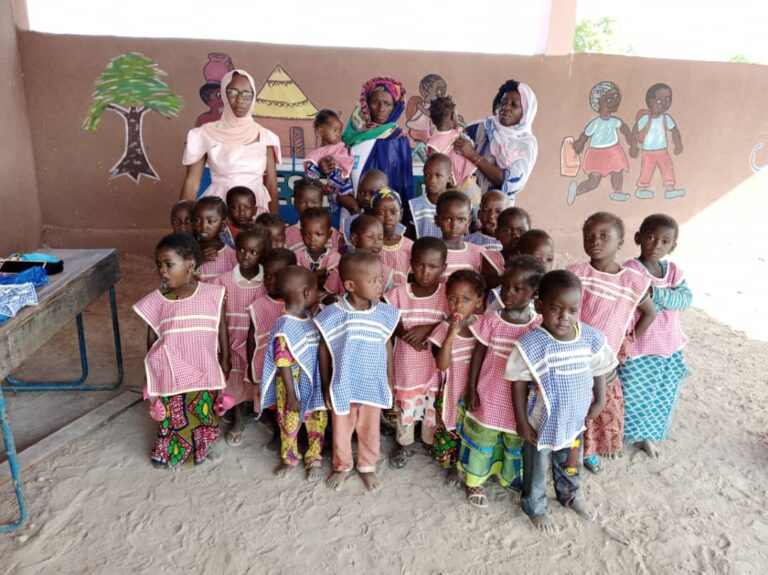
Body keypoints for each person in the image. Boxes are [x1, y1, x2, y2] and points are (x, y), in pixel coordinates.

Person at [506, 270, 617, 532]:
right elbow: (518, 382)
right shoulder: (532, 344)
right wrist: (522, 422)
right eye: (556, 309)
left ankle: (570, 495)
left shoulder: (589, 337)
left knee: (570, 463)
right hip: (540, 423)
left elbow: (599, 368)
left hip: (575, 420)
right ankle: (535, 506)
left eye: (572, 310)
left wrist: (600, 399)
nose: (564, 318)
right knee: (537, 467)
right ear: (539, 305)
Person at [566, 212, 656, 474]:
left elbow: (649, 313)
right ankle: (568, 449)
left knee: (598, 405)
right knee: (574, 403)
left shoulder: (631, 282)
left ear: (620, 242)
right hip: (574, 353)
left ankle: (590, 451)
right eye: (589, 236)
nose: (595, 241)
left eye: (604, 236)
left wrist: (628, 341)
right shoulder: (576, 274)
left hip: (605, 358)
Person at [133, 233, 230, 468]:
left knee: (203, 412)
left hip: (202, 367)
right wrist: (151, 372)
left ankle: (202, 448)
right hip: (171, 370)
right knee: (172, 416)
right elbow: (152, 335)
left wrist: (225, 359)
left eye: (168, 264)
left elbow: (221, 328)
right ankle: (168, 452)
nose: (162, 271)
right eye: (159, 265)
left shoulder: (212, 295)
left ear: (190, 265)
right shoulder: (158, 299)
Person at [460, 256, 545, 508]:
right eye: (506, 286)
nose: (509, 293)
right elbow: (478, 353)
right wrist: (471, 387)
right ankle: (475, 479)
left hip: (520, 400)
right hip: (490, 391)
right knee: (483, 436)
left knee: (513, 438)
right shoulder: (492, 319)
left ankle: (507, 476)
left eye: (518, 289)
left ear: (534, 293)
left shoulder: (538, 325)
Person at [316, 250, 401, 492]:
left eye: (379, 278)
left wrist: (390, 380)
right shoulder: (334, 313)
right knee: (342, 429)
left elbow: (388, 344)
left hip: (372, 382)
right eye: (373, 280)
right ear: (351, 285)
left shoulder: (383, 313)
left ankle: (367, 466)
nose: (379, 284)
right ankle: (342, 466)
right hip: (343, 383)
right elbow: (324, 348)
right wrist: (325, 385)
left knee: (369, 429)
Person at [619, 214, 691, 458]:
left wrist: (657, 296)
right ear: (638, 238)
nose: (657, 245)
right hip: (639, 348)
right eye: (650, 237)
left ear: (673, 246)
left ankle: (645, 437)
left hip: (669, 347)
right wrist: (666, 297)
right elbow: (635, 302)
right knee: (630, 394)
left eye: (664, 241)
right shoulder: (631, 269)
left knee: (658, 395)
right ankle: (621, 435)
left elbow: (685, 299)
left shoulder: (673, 271)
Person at [384, 237, 450, 469]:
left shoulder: (446, 295)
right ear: (411, 263)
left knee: (432, 405)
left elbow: (453, 321)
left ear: (443, 267)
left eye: (432, 266)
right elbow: (388, 321)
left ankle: (429, 440)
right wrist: (403, 332)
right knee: (407, 406)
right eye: (420, 264)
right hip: (406, 363)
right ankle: (405, 443)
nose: (425, 271)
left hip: (433, 366)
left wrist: (428, 328)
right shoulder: (399, 294)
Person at [180, 69, 281, 215]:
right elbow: (192, 183)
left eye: (247, 94)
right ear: (223, 94)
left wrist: (273, 223)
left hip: (256, 214)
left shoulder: (266, 137)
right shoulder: (205, 134)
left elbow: (271, 184)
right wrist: (183, 224)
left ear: (253, 97)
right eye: (232, 93)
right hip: (219, 214)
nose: (240, 100)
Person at [260, 266, 328, 480]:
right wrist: (290, 395)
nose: (318, 295)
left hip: (313, 384)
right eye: (317, 291)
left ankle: (313, 459)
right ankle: (289, 459)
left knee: (317, 422)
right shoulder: (284, 326)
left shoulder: (309, 318)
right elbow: (282, 363)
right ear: (307, 293)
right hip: (292, 389)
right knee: (289, 426)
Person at [212, 224, 269, 446]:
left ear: (262, 253)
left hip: (257, 343)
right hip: (232, 341)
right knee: (234, 381)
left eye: (253, 252)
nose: (246, 256)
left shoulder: (268, 282)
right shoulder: (223, 281)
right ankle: (238, 419)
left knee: (257, 380)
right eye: (242, 250)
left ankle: (261, 413)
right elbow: (217, 317)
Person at [428, 269, 486, 484]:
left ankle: (467, 464)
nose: (458, 305)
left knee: (473, 427)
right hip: (451, 389)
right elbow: (441, 365)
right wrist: (450, 336)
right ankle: (453, 465)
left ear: (478, 301)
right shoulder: (444, 328)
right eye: (452, 298)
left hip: (476, 389)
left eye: (466, 299)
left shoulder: (483, 325)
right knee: (450, 426)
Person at [343, 76, 415, 224]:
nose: (381, 109)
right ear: (367, 104)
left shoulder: (399, 139)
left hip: (388, 218)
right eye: (375, 102)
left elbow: (405, 183)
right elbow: (342, 174)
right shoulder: (353, 136)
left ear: (394, 107)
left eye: (387, 103)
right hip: (354, 211)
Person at [454, 80, 538, 202]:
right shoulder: (482, 127)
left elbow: (510, 182)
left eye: (514, 105)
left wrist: (472, 155)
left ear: (526, 111)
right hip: (466, 207)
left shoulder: (526, 144)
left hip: (499, 212)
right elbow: (455, 144)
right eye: (503, 103)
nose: (506, 108)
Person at [567, 81, 634, 205]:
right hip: (596, 153)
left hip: (613, 151)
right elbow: (585, 135)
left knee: (617, 171)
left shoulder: (615, 121)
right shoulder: (595, 123)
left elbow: (624, 129)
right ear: (599, 103)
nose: (616, 100)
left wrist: (631, 140)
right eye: (610, 98)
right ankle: (576, 190)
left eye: (616, 97)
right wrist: (580, 144)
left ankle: (617, 192)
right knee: (594, 181)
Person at [246, 248, 297, 410]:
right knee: (272, 402)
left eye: (278, 276)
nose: (271, 281)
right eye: (267, 275)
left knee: (292, 403)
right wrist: (251, 368)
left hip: (293, 369)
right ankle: (275, 426)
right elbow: (251, 339)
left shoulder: (298, 305)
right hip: (266, 365)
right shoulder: (258, 305)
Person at [304, 109, 359, 235]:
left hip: (346, 187)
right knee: (353, 207)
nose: (339, 134)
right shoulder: (316, 155)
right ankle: (351, 235)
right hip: (335, 191)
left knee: (353, 209)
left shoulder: (341, 148)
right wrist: (323, 183)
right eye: (335, 130)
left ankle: (351, 234)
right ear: (321, 131)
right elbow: (311, 177)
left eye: (340, 130)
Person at [630, 83, 685, 200]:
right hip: (648, 151)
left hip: (662, 150)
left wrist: (678, 144)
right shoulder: (646, 118)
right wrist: (633, 147)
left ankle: (670, 189)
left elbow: (674, 130)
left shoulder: (666, 118)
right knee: (646, 169)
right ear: (650, 102)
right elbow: (634, 131)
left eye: (668, 99)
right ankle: (641, 188)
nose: (665, 103)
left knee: (667, 168)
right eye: (660, 101)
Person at [324, 215, 395, 299]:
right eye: (370, 237)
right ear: (354, 239)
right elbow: (328, 295)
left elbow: (389, 302)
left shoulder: (386, 273)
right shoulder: (342, 268)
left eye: (380, 238)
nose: (376, 242)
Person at [486, 227, 554, 312]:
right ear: (520, 255)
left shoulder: (554, 290)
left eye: (549, 260)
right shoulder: (505, 292)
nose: (544, 264)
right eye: (537, 259)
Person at [426, 95, 478, 199]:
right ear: (453, 116)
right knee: (472, 206)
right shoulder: (456, 134)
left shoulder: (435, 140)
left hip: (448, 184)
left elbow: (430, 163)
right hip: (465, 182)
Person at [434, 191, 484, 281]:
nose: (454, 226)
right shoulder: (430, 251)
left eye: (461, 219)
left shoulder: (477, 252)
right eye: (447, 219)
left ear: (468, 222)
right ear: (437, 220)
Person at [284, 178, 342, 252]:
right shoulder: (287, 235)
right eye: (303, 202)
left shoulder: (333, 233)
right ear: (295, 203)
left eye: (315, 202)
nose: (309, 206)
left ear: (321, 203)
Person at [372, 188, 413, 288]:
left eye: (393, 212)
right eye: (380, 213)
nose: (388, 217)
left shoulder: (410, 246)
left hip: (399, 300)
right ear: (373, 214)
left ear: (401, 214)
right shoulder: (369, 245)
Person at [292, 208, 341, 287]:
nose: (312, 239)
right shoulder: (297, 257)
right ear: (301, 233)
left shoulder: (334, 257)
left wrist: (307, 277)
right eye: (307, 234)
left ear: (329, 234)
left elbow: (332, 283)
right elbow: (297, 283)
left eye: (318, 234)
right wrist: (318, 275)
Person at [408, 153, 452, 240]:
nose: (432, 180)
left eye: (438, 175)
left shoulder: (457, 205)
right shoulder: (415, 206)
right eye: (427, 175)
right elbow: (410, 241)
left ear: (449, 178)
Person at [194, 197, 237, 282]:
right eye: (197, 220)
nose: (203, 226)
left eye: (210, 221)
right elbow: (179, 278)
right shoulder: (188, 252)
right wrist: (197, 260)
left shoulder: (231, 255)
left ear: (223, 224)